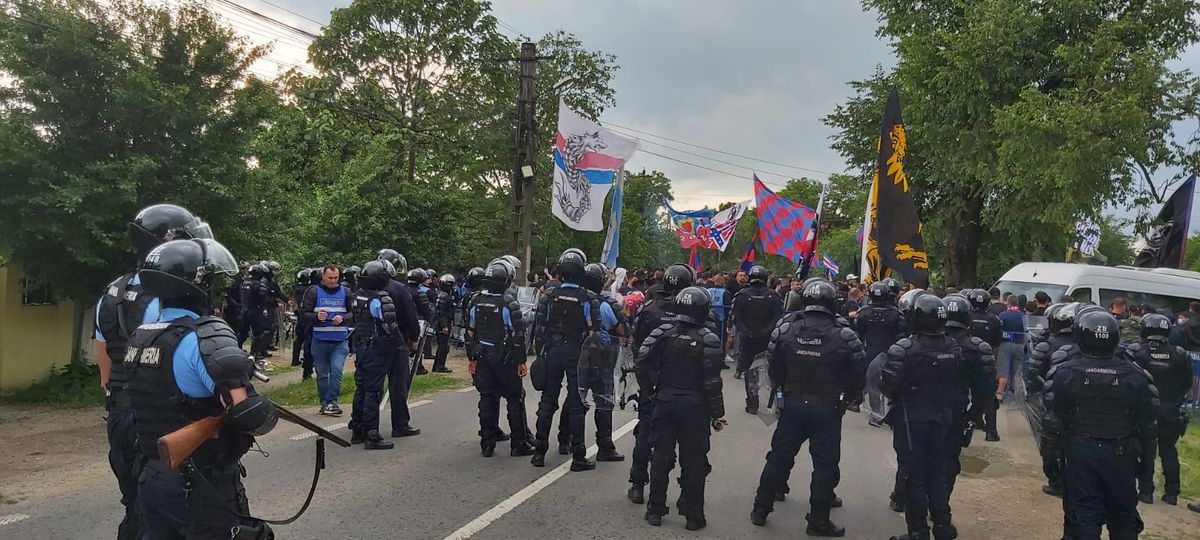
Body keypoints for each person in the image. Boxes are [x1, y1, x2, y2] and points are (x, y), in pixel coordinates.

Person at [125, 238, 278, 539]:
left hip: (152, 476)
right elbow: (247, 414)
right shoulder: (208, 335)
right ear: (200, 284)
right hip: (201, 482)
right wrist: (266, 408)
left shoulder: (141, 336)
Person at [93, 204, 210, 540]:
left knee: (134, 505)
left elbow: (106, 371)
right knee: (176, 517)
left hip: (119, 414)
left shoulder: (111, 293)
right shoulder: (166, 296)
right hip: (160, 421)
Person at [749, 279, 866, 537]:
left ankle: (761, 508)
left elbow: (772, 364)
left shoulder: (786, 329)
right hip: (826, 405)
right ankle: (818, 520)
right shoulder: (844, 334)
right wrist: (846, 398)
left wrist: (782, 390)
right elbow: (859, 372)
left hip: (793, 401)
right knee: (824, 464)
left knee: (779, 456)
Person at [1043, 310, 1157, 539]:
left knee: (1085, 515)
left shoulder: (1066, 373)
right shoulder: (1135, 376)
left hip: (1081, 453)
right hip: (1120, 454)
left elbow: (1052, 423)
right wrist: (1147, 466)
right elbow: (1148, 426)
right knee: (1123, 517)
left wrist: (1050, 461)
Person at [635, 286, 725, 531]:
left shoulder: (664, 332)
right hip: (694, 406)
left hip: (665, 400)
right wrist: (718, 413)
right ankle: (693, 515)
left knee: (661, 458)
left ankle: (655, 510)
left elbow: (641, 360)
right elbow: (713, 382)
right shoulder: (709, 337)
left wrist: (650, 390)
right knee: (694, 461)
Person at [881, 295, 963, 540]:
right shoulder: (953, 348)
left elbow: (888, 386)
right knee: (936, 472)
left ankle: (918, 531)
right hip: (941, 416)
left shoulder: (904, 349)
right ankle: (943, 525)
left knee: (913, 475)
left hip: (911, 419)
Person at [627, 263, 695, 503]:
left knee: (645, 433)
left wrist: (645, 382)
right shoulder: (697, 311)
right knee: (689, 443)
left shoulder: (650, 309)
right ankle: (688, 496)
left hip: (653, 384)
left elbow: (638, 348)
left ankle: (637, 485)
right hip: (684, 388)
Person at [532, 249, 601, 471]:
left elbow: (539, 327)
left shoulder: (549, 295)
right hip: (576, 352)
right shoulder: (588, 298)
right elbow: (594, 331)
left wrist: (541, 353)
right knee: (577, 402)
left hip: (553, 350)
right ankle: (578, 454)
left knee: (547, 400)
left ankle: (539, 452)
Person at [558, 262, 626, 462]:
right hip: (600, 357)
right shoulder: (605, 305)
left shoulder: (573, 300)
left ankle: (564, 438)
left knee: (574, 397)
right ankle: (604, 445)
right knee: (603, 400)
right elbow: (622, 331)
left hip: (575, 354)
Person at [468, 261, 536, 458]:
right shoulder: (509, 304)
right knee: (515, 398)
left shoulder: (476, 301)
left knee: (487, 397)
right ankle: (519, 443)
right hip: (505, 358)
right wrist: (521, 360)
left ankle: (487, 444)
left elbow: (470, 332)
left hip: (482, 355)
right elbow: (517, 335)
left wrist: (471, 357)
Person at [1130, 313, 1194, 505]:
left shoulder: (1136, 351)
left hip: (1144, 409)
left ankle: (1146, 491)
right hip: (1170, 409)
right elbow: (1187, 383)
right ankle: (1172, 493)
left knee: (1145, 450)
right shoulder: (1180, 354)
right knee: (1168, 450)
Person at [942, 294, 998, 496]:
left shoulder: (917, 343)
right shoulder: (976, 347)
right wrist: (974, 414)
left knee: (916, 460)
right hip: (955, 411)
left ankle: (917, 516)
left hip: (922, 413)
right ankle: (940, 515)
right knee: (947, 461)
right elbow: (986, 387)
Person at [1026, 302, 1079, 498]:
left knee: (1048, 444)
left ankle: (1056, 481)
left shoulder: (1045, 346)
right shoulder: (1082, 345)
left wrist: (1043, 393)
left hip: (1050, 403)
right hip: (1075, 403)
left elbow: (1032, 373)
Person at [348, 261, 398, 450]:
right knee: (372, 391)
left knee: (360, 387)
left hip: (360, 345)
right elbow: (390, 326)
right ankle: (372, 434)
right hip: (375, 348)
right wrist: (400, 345)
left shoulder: (357, 296)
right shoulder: (380, 299)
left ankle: (357, 429)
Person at [376, 249, 423, 438]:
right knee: (398, 384)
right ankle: (400, 424)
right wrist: (413, 337)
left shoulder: (363, 288)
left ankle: (363, 424)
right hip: (397, 341)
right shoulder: (398, 288)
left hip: (372, 342)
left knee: (370, 385)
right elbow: (410, 315)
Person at [300, 265, 354, 416]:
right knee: (322, 374)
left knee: (336, 370)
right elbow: (303, 315)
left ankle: (332, 401)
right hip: (319, 339)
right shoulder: (313, 292)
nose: (333, 281)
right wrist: (316, 317)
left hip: (340, 340)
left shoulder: (346, 292)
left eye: (336, 278)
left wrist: (343, 318)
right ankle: (324, 402)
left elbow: (355, 313)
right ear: (323, 276)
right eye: (330, 278)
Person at [731, 266, 784, 414]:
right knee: (772, 370)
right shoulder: (773, 296)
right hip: (768, 339)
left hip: (749, 339)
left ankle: (753, 403)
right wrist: (764, 332)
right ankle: (774, 403)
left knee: (751, 371)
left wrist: (747, 332)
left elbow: (736, 318)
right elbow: (779, 318)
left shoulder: (741, 295)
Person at [857, 281, 910, 427]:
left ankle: (877, 413)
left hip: (870, 353)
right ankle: (887, 414)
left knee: (872, 384)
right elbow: (902, 336)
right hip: (891, 354)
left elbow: (858, 335)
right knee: (893, 384)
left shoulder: (863, 312)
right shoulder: (896, 313)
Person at [992, 294, 1026, 441]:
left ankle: (999, 393)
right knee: (1017, 371)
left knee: (1003, 368)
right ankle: (1016, 393)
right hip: (1019, 345)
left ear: (1007, 302)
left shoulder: (1003, 315)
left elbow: (998, 329)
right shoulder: (1023, 316)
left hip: (1006, 344)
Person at [238, 263, 271, 358]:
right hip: (255, 311)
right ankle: (255, 353)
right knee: (260, 333)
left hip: (243, 311)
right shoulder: (259, 284)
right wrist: (264, 308)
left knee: (242, 333)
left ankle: (237, 349)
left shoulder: (243, 283)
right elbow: (263, 298)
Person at [430, 274, 456, 373]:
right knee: (443, 346)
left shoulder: (443, 295)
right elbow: (441, 312)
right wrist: (444, 325)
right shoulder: (443, 296)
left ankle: (437, 366)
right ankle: (440, 366)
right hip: (442, 324)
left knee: (443, 345)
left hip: (443, 323)